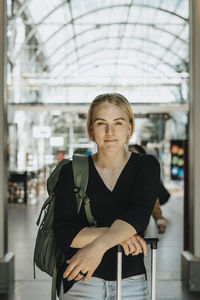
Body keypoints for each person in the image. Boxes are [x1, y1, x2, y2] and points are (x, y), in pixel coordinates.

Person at [53, 93, 160, 300]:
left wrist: (96, 249)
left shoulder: (146, 166)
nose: (110, 132)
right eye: (101, 123)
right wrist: (122, 234)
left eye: (117, 123)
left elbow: (138, 216)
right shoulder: (72, 170)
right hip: (80, 281)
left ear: (129, 127)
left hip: (131, 283)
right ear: (91, 130)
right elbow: (65, 233)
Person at [129, 144, 167, 234]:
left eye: (135, 156)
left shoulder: (145, 178)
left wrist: (159, 220)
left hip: (137, 229)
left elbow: (153, 201)